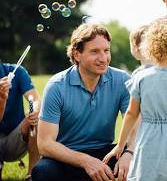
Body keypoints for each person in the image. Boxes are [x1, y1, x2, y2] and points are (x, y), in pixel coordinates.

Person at [103, 18, 167, 180]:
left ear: (150, 46)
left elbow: (131, 114)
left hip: (149, 141)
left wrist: (120, 146)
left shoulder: (141, 79)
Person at [31, 23, 136, 181]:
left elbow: (135, 124)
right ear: (77, 54)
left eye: (106, 50)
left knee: (137, 160)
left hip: (104, 153)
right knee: (42, 172)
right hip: (67, 156)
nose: (103, 58)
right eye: (95, 51)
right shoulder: (57, 86)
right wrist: (86, 161)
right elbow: (45, 144)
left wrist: (129, 153)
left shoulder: (122, 80)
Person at [0, 62, 40, 181]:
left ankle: (32, 175)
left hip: (16, 139)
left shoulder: (16, 71)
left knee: (35, 120)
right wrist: (2, 100)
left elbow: (36, 98)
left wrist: (35, 110)